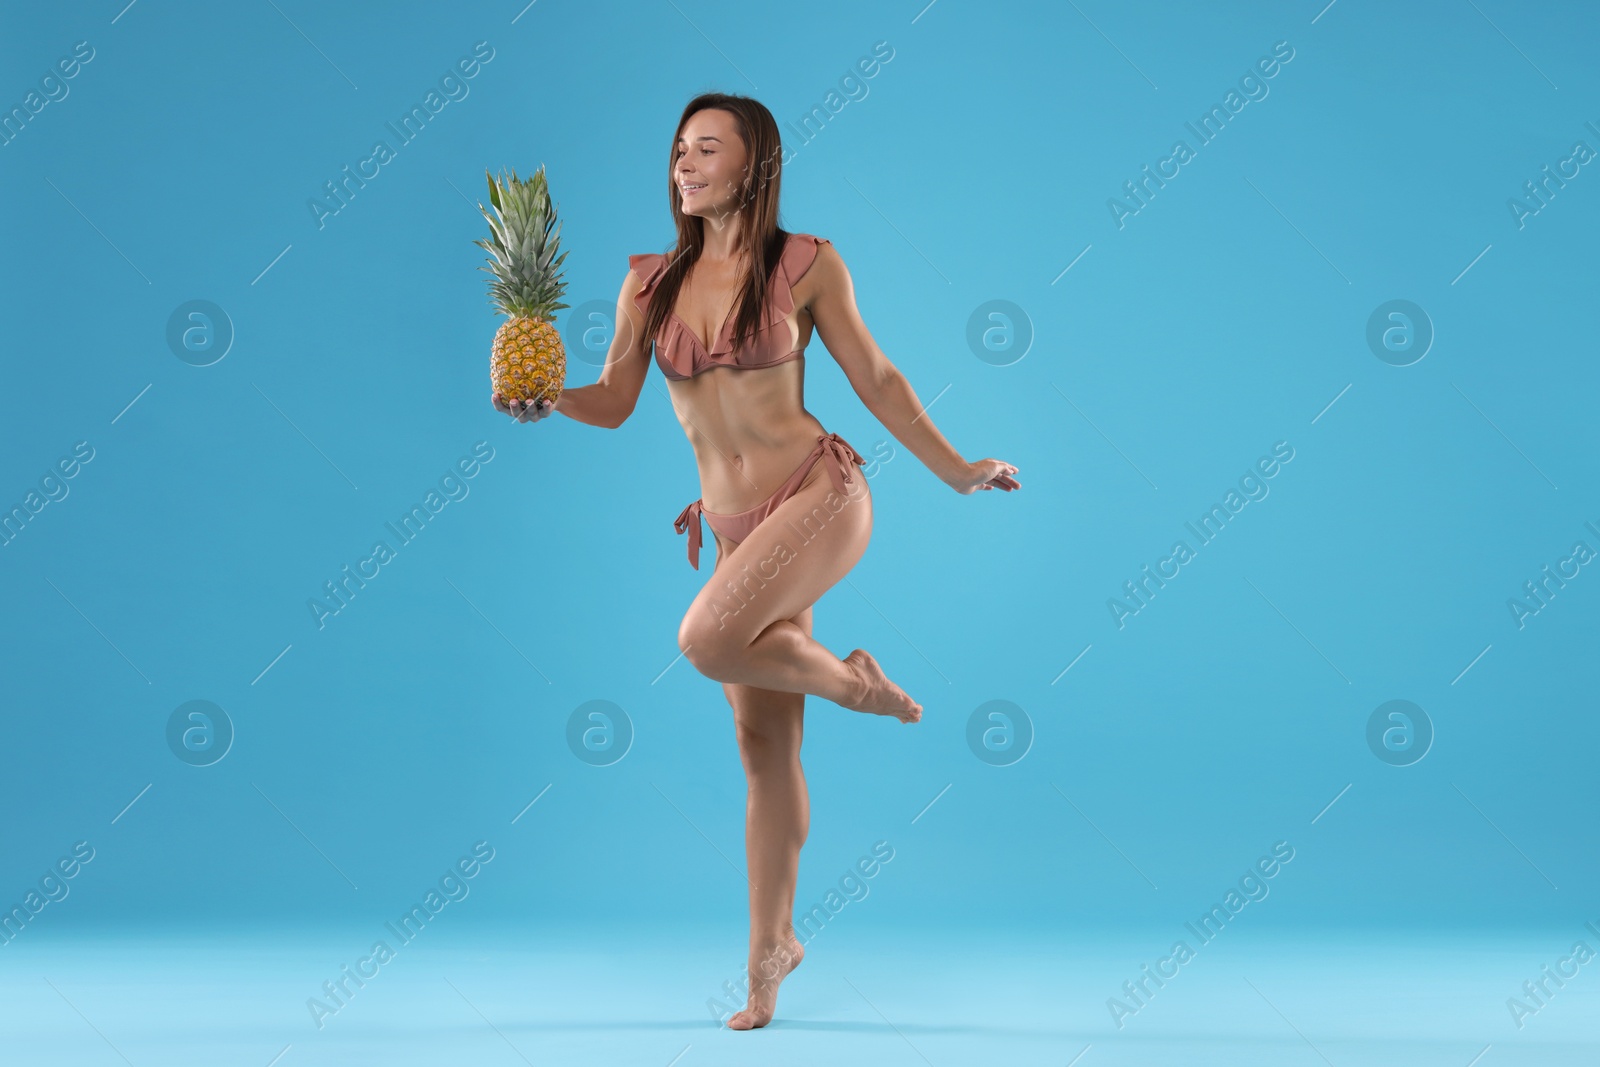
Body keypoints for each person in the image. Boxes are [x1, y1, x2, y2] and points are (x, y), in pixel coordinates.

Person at [492, 92, 1020, 1029]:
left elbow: (880, 379)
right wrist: (546, 397)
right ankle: (770, 953)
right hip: (738, 531)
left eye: (707, 149)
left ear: (753, 165)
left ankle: (858, 684)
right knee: (762, 745)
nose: (684, 165)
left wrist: (959, 471)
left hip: (820, 496)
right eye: (677, 150)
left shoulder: (805, 264)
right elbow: (615, 399)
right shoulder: (646, 283)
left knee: (704, 639)